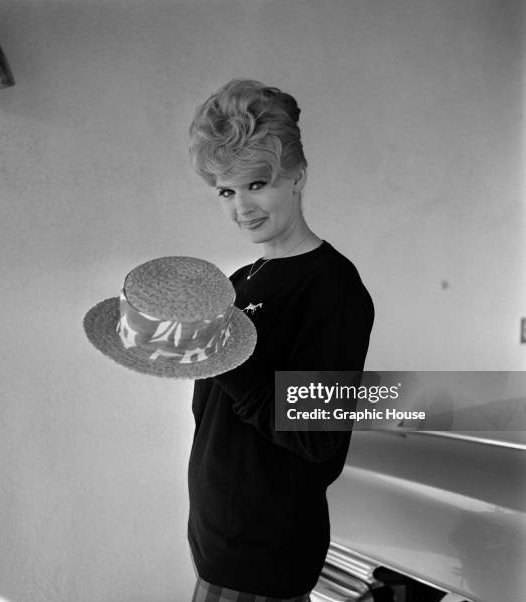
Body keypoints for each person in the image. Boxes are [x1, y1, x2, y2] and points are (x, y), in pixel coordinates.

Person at [187, 79, 375, 602]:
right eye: (226, 190)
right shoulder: (241, 278)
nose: (241, 207)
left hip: (265, 551)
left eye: (256, 184)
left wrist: (222, 354)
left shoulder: (333, 286)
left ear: (297, 177)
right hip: (217, 541)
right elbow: (218, 416)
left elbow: (316, 438)